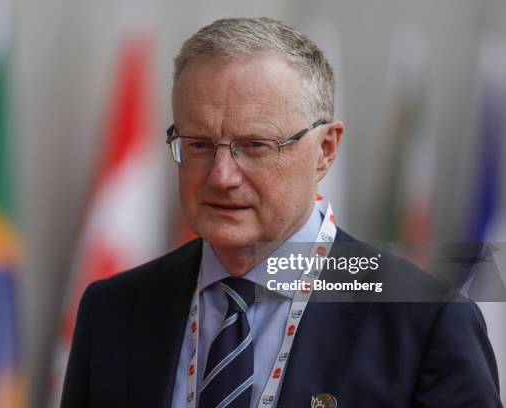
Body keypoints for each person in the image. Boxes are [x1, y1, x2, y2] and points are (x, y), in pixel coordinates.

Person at [61, 17, 501, 407]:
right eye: (198, 145)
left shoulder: (425, 322)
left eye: (254, 146)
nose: (221, 176)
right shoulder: (114, 310)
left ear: (325, 151)